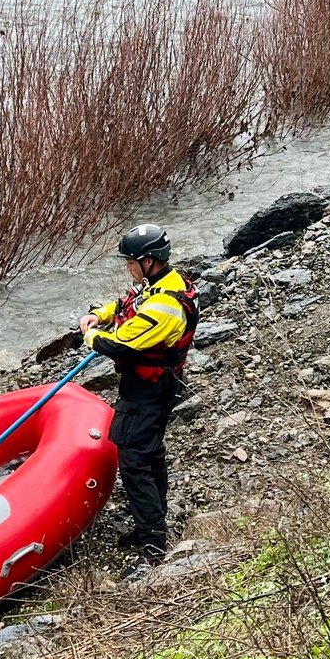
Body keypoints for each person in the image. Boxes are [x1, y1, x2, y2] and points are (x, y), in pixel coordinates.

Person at [79, 224, 198, 567]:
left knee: (134, 461)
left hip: (151, 388)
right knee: (150, 451)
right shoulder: (161, 285)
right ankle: (153, 521)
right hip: (149, 384)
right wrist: (98, 314)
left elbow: (121, 343)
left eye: (131, 261)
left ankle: (153, 541)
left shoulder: (165, 306)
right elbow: (123, 306)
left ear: (149, 261)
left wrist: (90, 334)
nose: (128, 267)